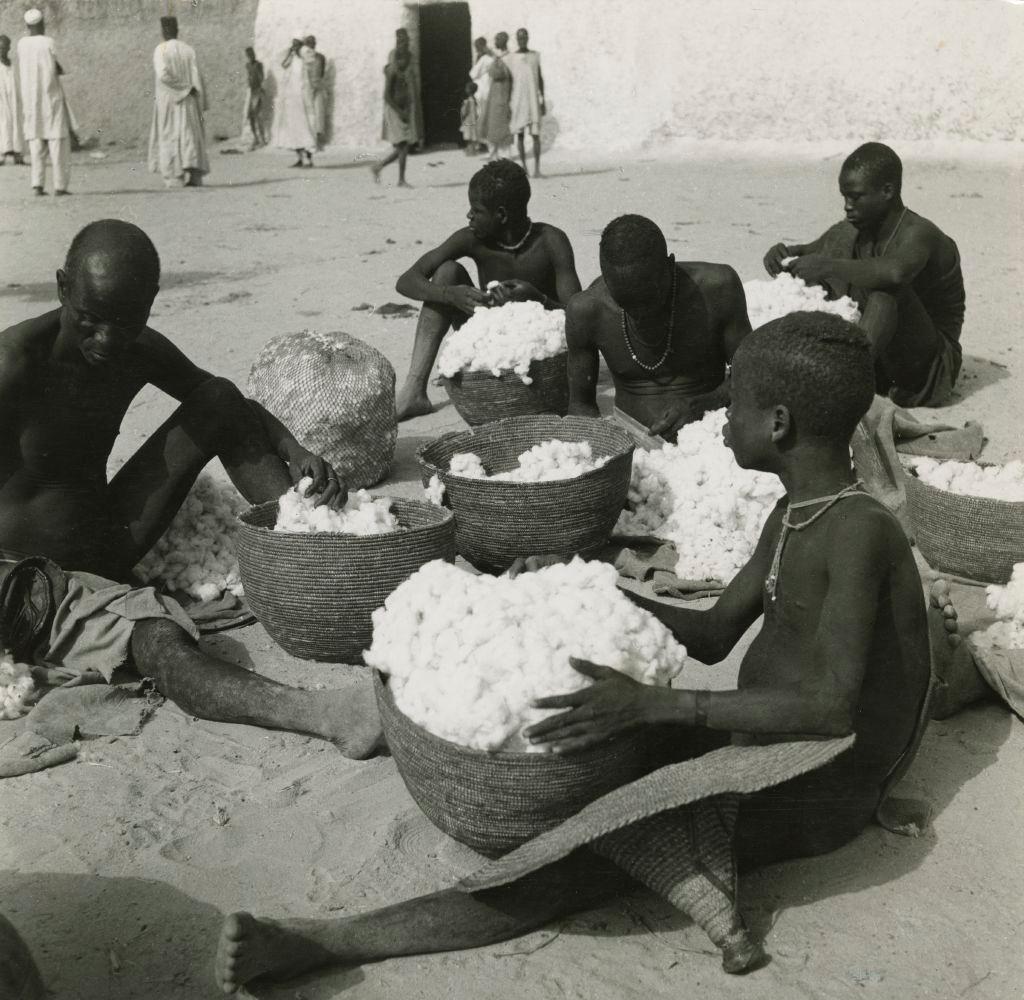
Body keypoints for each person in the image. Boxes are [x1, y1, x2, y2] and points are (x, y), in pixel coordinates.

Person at [213, 313, 932, 992]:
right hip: (758, 736)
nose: (724, 417)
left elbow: (831, 706)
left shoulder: (860, 531)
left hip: (815, 782)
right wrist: (582, 579)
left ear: (778, 423)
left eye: (737, 401)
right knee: (584, 755)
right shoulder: (796, 512)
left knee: (576, 859)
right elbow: (714, 633)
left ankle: (326, 943)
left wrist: (661, 704)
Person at [0, 219, 381, 758]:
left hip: (108, 535)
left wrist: (292, 446)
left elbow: (218, 398)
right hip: (34, 581)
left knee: (220, 399)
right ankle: (325, 714)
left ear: (151, 303)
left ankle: (308, 551)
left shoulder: (136, 347)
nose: (106, 341)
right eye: (89, 320)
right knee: (159, 638)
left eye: (125, 323)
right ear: (63, 288)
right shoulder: (12, 363)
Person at [763, 142, 966, 408]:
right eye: (844, 197)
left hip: (928, 366)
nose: (847, 206)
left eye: (856, 197)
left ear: (887, 191)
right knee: (829, 264)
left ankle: (839, 383)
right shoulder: (855, 228)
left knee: (885, 293)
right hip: (883, 358)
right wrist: (781, 254)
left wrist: (826, 266)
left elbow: (895, 272)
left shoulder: (919, 233)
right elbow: (808, 252)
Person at [393, 160, 581, 420]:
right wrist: (450, 294)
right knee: (447, 271)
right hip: (491, 340)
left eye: (476, 210)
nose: (469, 216)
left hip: (539, 345)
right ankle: (414, 391)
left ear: (501, 215)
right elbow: (406, 280)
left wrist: (537, 299)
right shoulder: (473, 238)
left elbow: (578, 314)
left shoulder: (551, 241)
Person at [567, 215, 750, 439]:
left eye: (650, 299)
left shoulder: (717, 288)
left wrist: (706, 403)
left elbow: (751, 373)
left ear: (670, 266)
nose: (641, 314)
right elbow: (581, 406)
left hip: (711, 435)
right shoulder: (586, 310)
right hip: (631, 444)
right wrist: (602, 446)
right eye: (626, 303)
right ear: (606, 280)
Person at [147, 16, 209, 189]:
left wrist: (183, 88)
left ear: (164, 31)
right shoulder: (189, 50)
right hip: (189, 100)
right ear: (177, 30)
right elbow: (199, 78)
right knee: (189, 135)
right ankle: (195, 176)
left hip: (170, 101)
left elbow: (163, 75)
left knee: (170, 135)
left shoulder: (161, 49)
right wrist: (198, 98)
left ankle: (175, 178)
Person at [17, 8, 70, 196]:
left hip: (31, 101)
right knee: (57, 142)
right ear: (42, 24)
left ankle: (37, 184)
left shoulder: (22, 44)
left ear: (27, 25)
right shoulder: (49, 42)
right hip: (50, 98)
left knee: (36, 142)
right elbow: (59, 66)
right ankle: (60, 186)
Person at [372, 48, 414, 187]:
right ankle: (400, 179)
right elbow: (387, 96)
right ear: (398, 60)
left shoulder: (403, 72)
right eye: (404, 60)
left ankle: (380, 166)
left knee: (403, 147)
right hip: (394, 111)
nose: (407, 62)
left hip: (401, 111)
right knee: (403, 145)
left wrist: (406, 110)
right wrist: (400, 112)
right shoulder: (393, 73)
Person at [275, 32, 316, 168]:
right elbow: (283, 64)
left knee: (306, 126)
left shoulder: (306, 55)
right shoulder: (293, 57)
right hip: (292, 99)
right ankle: (300, 157)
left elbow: (311, 59)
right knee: (293, 127)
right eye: (293, 43)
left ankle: (308, 158)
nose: (294, 46)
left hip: (303, 98)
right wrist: (291, 52)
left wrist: (300, 50)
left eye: (296, 43)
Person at [507, 28, 544, 178]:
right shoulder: (511, 58)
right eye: (520, 38)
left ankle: (537, 169)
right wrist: (508, 103)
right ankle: (524, 168)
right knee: (520, 135)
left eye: (524, 37)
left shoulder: (535, 56)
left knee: (535, 135)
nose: (522, 40)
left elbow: (540, 78)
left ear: (528, 38)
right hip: (518, 100)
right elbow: (509, 81)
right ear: (517, 39)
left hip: (533, 100)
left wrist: (542, 100)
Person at [383, 28, 423, 152]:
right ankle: (399, 142)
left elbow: (413, 72)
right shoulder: (393, 54)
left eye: (405, 39)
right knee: (396, 115)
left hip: (409, 88)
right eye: (400, 39)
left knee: (412, 113)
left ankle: (411, 143)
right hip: (397, 88)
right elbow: (390, 71)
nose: (403, 42)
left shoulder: (410, 55)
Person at [476, 32, 511, 161]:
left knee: (501, 124)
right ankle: (493, 152)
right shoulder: (497, 57)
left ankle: (504, 153)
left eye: (497, 39)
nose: (495, 41)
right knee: (491, 123)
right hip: (493, 93)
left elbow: (497, 73)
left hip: (502, 94)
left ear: (503, 41)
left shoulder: (507, 58)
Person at [0, 35, 24, 165]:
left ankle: (18, 155)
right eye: (0, 48)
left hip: (15, 100)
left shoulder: (14, 64)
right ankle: (1, 156)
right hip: (1, 101)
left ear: (9, 48)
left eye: (4, 48)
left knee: (17, 124)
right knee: (3, 125)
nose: (1, 50)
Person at [468, 36, 492, 153]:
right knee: (481, 117)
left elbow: (473, 74)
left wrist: (477, 61)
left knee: (481, 117)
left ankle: (482, 143)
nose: (476, 49)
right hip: (484, 89)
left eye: (477, 46)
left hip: (482, 90)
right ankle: (482, 142)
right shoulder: (488, 57)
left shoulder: (484, 59)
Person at [303, 35, 327, 149]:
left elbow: (321, 73)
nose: (312, 45)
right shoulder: (303, 58)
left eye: (313, 43)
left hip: (317, 87)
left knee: (318, 113)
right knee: (309, 114)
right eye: (309, 43)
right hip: (308, 88)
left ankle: (317, 141)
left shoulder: (321, 57)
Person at [243, 46, 266, 149]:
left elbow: (261, 78)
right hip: (251, 92)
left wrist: (261, 88)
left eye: (252, 54)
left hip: (257, 91)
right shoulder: (247, 65)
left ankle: (262, 138)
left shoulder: (258, 65)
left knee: (257, 115)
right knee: (250, 116)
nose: (250, 56)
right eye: (249, 55)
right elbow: (249, 78)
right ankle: (256, 138)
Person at [459, 80, 479, 155]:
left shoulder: (468, 100)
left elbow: (464, 111)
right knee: (472, 136)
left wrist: (462, 116)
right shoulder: (474, 99)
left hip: (468, 120)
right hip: (473, 120)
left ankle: (471, 151)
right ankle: (472, 150)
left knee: (469, 137)